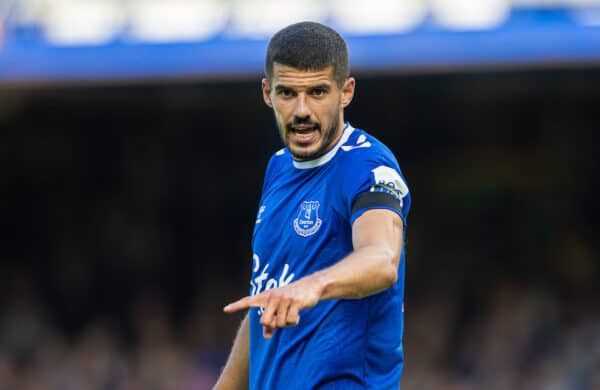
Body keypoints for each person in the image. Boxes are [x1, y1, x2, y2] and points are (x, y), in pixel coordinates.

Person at [214, 21, 411, 390]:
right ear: (267, 93)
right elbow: (267, 302)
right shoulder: (279, 168)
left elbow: (382, 259)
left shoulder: (366, 166)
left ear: (346, 91)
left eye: (318, 92)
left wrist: (314, 286)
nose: (302, 110)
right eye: (287, 93)